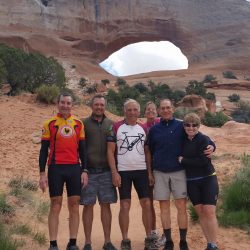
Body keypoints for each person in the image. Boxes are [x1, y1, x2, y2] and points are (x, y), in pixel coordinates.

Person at [147, 99, 215, 250]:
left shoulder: (181, 125)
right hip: (160, 173)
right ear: (159, 110)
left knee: (181, 206)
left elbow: (201, 136)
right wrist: (150, 172)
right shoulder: (154, 130)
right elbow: (150, 151)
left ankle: (183, 241)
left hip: (178, 171)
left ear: (172, 109)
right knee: (163, 207)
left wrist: (212, 145)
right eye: (163, 108)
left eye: (168, 107)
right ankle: (169, 241)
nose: (165, 110)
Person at [39, 92, 88, 250]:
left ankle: (72, 243)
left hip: (74, 168)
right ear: (57, 103)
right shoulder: (49, 123)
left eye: (68, 103)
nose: (65, 105)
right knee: (55, 204)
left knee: (74, 205)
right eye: (63, 102)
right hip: (55, 168)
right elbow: (43, 150)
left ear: (71, 105)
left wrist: (84, 170)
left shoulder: (79, 124)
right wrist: (42, 174)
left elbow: (83, 150)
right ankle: (53, 244)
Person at [107, 99, 157, 250]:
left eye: (135, 109)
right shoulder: (116, 127)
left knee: (146, 204)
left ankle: (149, 237)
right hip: (123, 171)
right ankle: (125, 240)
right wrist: (114, 172)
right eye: (129, 109)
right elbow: (109, 151)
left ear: (139, 111)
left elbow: (147, 152)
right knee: (125, 205)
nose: (132, 112)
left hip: (141, 170)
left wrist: (149, 172)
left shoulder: (143, 128)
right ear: (124, 111)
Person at [80, 95, 118, 250]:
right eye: (96, 105)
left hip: (106, 172)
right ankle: (88, 242)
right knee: (88, 206)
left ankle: (107, 241)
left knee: (106, 206)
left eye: (102, 105)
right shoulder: (83, 124)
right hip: (89, 172)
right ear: (91, 106)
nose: (99, 108)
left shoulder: (111, 124)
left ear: (105, 106)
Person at [178, 113, 219, 250]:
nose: (191, 127)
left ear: (198, 126)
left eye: (194, 125)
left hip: (207, 178)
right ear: (184, 126)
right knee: (200, 211)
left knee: (209, 211)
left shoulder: (203, 139)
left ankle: (213, 244)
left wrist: (183, 160)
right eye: (188, 125)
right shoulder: (182, 138)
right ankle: (209, 243)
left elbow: (203, 161)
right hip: (191, 181)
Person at [143, 101, 166, 247]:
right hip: (147, 169)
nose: (151, 111)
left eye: (153, 109)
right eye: (148, 109)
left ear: (157, 111)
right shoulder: (141, 127)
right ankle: (153, 232)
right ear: (144, 112)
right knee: (149, 201)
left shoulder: (161, 124)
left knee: (164, 202)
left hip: (162, 168)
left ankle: (166, 233)